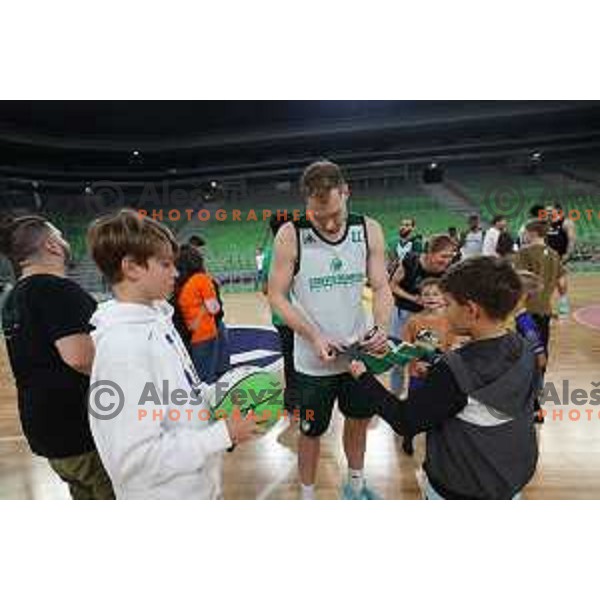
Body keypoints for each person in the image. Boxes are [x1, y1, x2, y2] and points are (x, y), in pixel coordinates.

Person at [86, 209, 260, 499]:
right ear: (131, 268)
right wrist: (221, 435)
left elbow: (181, 395)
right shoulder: (122, 348)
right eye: (166, 264)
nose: (176, 272)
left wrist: (220, 395)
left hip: (193, 489)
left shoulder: (157, 320)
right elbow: (133, 461)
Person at [348, 256, 539, 500]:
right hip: (509, 479)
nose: (444, 312)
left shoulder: (453, 371)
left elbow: (405, 421)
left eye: (448, 304)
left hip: (458, 488)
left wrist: (364, 378)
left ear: (471, 310)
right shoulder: (523, 348)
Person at [269, 160, 393, 500]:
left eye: (335, 212)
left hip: (357, 353)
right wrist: (313, 336)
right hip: (312, 360)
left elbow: (381, 287)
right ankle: (307, 496)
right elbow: (277, 296)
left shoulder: (368, 229)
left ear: (346, 192)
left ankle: (355, 486)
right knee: (309, 429)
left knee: (358, 420)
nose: (329, 222)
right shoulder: (290, 234)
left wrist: (381, 326)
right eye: (318, 215)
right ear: (306, 201)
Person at [0, 215, 114, 499]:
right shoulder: (57, 289)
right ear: (52, 245)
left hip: (46, 430)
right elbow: (79, 358)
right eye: (60, 236)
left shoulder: (14, 297)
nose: (65, 242)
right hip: (80, 430)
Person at [388, 234, 456, 396]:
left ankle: (424, 395)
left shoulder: (449, 271)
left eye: (451, 256)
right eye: (444, 256)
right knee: (399, 358)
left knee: (427, 358)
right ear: (430, 253)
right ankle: (395, 395)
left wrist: (441, 305)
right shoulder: (410, 261)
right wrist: (415, 298)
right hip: (405, 314)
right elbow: (392, 285)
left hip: (430, 319)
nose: (448, 260)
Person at [400, 278, 455, 455]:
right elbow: (406, 347)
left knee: (439, 409)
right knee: (414, 408)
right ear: (420, 298)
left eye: (435, 293)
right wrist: (416, 362)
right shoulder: (414, 320)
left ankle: (437, 443)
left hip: (441, 374)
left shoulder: (451, 320)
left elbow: (453, 346)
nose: (431, 297)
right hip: (418, 374)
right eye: (426, 294)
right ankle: (408, 436)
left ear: (444, 297)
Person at [513, 219, 566, 362]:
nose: (524, 235)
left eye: (525, 232)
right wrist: (563, 303)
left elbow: (520, 280)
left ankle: (527, 383)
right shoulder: (554, 254)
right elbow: (561, 282)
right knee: (542, 350)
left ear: (533, 233)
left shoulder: (524, 252)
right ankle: (539, 382)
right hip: (545, 310)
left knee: (524, 352)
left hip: (525, 311)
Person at [262, 213, 297, 416]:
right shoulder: (295, 252)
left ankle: (291, 401)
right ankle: (303, 398)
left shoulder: (268, 254)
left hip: (280, 317)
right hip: (298, 317)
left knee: (289, 359)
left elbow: (265, 289)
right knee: (302, 359)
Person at [175, 244, 224, 383]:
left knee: (197, 375)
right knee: (208, 376)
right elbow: (214, 308)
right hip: (207, 333)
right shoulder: (202, 279)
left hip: (192, 336)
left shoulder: (182, 284)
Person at [544, 203, 575, 317]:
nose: (547, 213)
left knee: (560, 282)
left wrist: (567, 254)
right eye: (546, 211)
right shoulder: (546, 223)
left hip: (561, 256)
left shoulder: (566, 223)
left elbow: (571, 240)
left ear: (558, 211)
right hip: (547, 257)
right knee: (546, 283)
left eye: (550, 210)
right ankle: (545, 307)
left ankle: (563, 306)